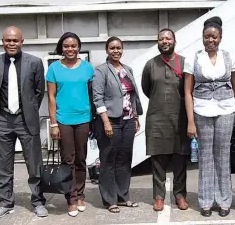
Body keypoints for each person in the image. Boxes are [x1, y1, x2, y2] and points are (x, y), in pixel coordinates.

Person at [0, 26, 47, 219]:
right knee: (2, 165)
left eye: (15, 40)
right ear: (2, 42)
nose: (11, 43)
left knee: (34, 163)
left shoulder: (35, 62)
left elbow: (39, 92)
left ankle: (38, 201)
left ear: (22, 41)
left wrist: (29, 110)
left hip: (26, 119)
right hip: (3, 119)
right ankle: (5, 203)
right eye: (8, 40)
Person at [184, 16, 235, 217]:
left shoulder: (229, 57)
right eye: (207, 37)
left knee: (223, 155)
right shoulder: (194, 58)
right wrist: (190, 121)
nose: (210, 40)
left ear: (220, 38)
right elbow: (188, 92)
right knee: (206, 156)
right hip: (202, 109)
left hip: (225, 110)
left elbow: (234, 85)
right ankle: (206, 201)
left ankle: (224, 200)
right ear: (202, 38)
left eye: (214, 37)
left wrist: (227, 102)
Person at [93, 36, 143, 213]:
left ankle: (123, 196)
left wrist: (136, 117)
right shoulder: (101, 71)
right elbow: (97, 98)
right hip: (110, 121)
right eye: (112, 48)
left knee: (124, 159)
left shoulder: (127, 69)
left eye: (119, 48)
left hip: (128, 120)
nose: (116, 51)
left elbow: (132, 97)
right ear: (107, 50)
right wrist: (105, 121)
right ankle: (109, 199)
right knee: (108, 160)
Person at [141, 28, 190, 212]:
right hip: (157, 119)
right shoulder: (150, 65)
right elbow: (147, 89)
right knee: (158, 160)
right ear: (158, 42)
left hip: (180, 119)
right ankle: (159, 197)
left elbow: (189, 90)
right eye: (161, 38)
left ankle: (179, 195)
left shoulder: (185, 63)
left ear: (175, 41)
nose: (165, 41)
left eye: (168, 38)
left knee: (180, 159)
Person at [47, 32, 94, 217]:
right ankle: (71, 198)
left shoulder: (88, 68)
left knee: (81, 158)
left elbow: (92, 94)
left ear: (79, 47)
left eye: (73, 45)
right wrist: (53, 124)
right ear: (61, 48)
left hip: (83, 118)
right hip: (63, 120)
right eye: (66, 46)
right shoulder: (54, 69)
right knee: (68, 160)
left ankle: (81, 194)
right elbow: (50, 97)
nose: (70, 49)